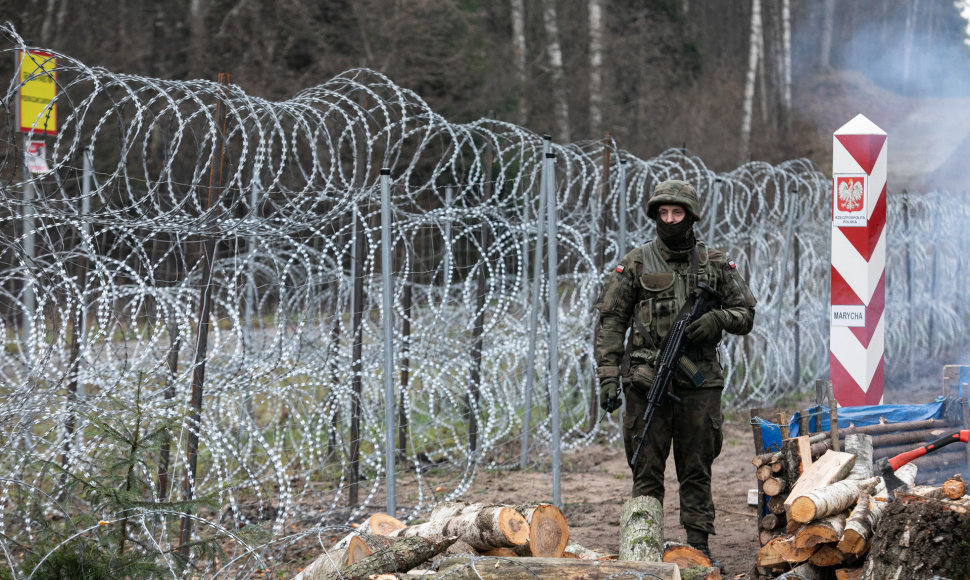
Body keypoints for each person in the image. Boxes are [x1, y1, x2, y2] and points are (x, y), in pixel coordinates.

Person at [593, 179, 756, 571]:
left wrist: (716, 319)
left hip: (699, 382)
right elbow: (612, 321)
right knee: (645, 468)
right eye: (663, 213)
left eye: (677, 212)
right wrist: (609, 376)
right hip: (646, 381)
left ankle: (697, 547)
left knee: (696, 466)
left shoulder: (715, 263)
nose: (669, 219)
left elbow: (746, 314)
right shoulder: (635, 262)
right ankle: (643, 548)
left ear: (690, 216)